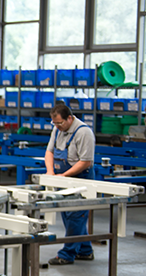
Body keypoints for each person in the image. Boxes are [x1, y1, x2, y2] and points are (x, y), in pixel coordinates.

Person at [45, 104, 96, 265]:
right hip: (63, 178)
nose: (57, 127)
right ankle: (85, 250)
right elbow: (49, 151)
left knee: (76, 215)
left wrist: (64, 175)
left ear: (69, 118)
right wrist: (50, 172)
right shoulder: (57, 129)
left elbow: (86, 161)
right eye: (55, 124)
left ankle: (67, 254)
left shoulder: (84, 132)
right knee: (68, 214)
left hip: (81, 178)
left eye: (60, 123)